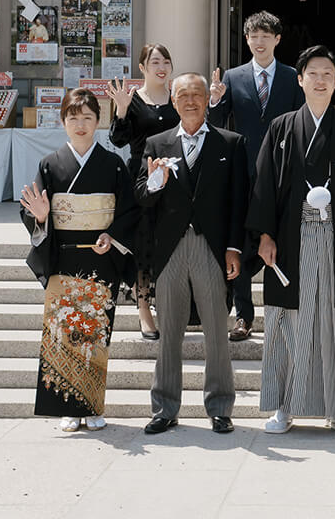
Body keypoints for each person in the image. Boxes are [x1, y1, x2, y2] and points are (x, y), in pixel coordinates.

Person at [247, 45, 335, 434]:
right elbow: (265, 186)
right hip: (292, 238)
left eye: (328, 73)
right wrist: (265, 235)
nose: (320, 80)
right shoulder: (282, 127)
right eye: (313, 73)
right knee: (287, 320)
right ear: (300, 79)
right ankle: (281, 406)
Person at [135, 72, 248, 435]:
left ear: (207, 99)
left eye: (197, 94)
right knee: (169, 332)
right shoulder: (157, 143)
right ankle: (165, 407)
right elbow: (141, 196)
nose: (190, 101)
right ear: (172, 100)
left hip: (210, 248)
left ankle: (219, 407)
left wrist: (234, 247)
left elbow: (238, 202)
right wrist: (154, 184)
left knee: (217, 329)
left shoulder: (230, 143)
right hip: (169, 250)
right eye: (182, 95)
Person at [19, 88, 138, 432]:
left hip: (102, 259)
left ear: (98, 121)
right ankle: (68, 407)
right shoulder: (50, 164)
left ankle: (94, 405)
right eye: (74, 118)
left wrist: (112, 235)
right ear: (63, 122)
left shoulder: (113, 164)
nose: (81, 124)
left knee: (96, 335)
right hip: (63, 259)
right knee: (64, 333)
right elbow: (33, 210)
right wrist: (41, 216)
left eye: (88, 117)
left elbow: (129, 210)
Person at [207, 10, 305, 342]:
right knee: (244, 243)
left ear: (277, 39)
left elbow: (302, 123)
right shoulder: (232, 78)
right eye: (254, 36)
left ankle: (283, 314)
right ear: (246, 40)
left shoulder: (294, 77)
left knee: (285, 241)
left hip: (283, 172)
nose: (259, 41)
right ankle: (243, 315)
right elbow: (220, 124)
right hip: (244, 171)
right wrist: (216, 100)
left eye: (266, 35)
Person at [108, 43, 179, 341]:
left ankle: (168, 305)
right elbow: (118, 140)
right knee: (143, 244)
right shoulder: (132, 99)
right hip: (139, 179)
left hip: (174, 179)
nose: (161, 67)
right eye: (154, 62)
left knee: (169, 242)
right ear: (142, 67)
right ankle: (143, 309)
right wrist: (122, 110)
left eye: (166, 61)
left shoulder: (178, 96)